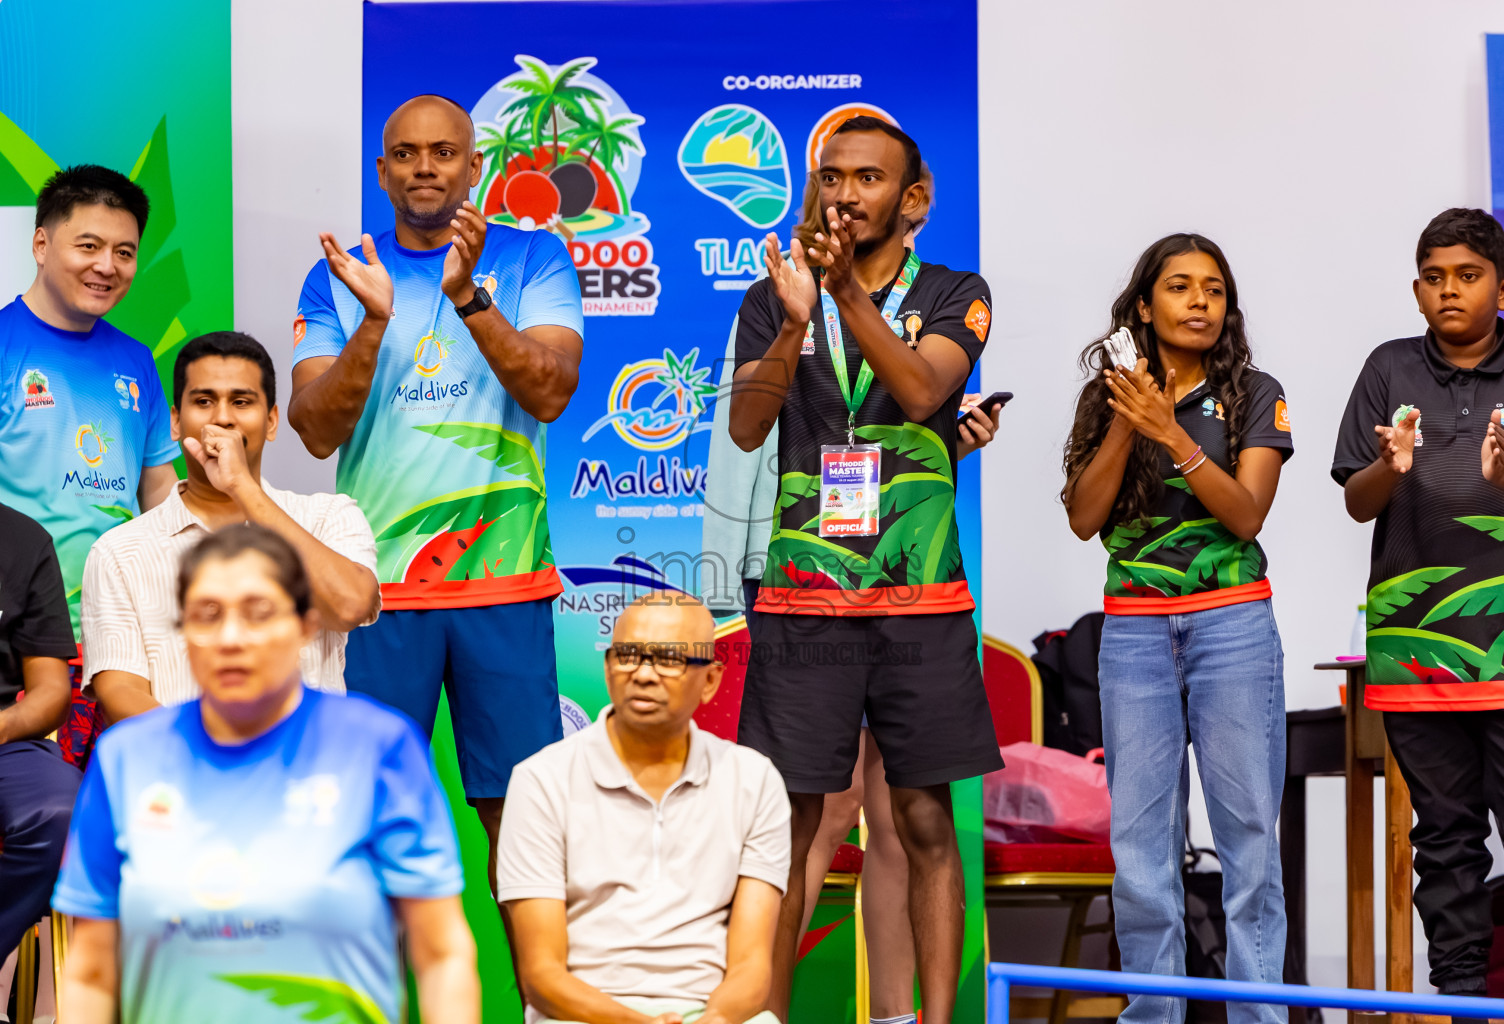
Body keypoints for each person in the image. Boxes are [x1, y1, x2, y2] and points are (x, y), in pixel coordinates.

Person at [727, 116, 1001, 1024]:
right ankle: (761, 1014)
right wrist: (795, 319)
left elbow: (925, 391)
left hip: (922, 600)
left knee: (924, 821)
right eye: (833, 177)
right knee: (792, 829)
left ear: (912, 198)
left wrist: (845, 298)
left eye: (869, 178)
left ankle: (931, 1021)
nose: (846, 194)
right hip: (804, 604)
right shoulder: (774, 295)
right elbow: (746, 427)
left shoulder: (960, 291)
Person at [287, 93, 583, 898]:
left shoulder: (535, 261)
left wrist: (468, 297)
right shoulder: (340, 275)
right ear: (383, 171)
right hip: (376, 592)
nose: (425, 166)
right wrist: (374, 321)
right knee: (370, 825)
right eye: (408, 154)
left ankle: (546, 1015)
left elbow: (552, 390)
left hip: (506, 583)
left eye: (444, 152)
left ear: (474, 165)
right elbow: (313, 428)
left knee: (522, 826)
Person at [53, 524, 479, 1024]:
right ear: (184, 632)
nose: (232, 638)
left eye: (259, 613)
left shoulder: (378, 748)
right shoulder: (126, 759)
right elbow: (89, 973)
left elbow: (442, 955)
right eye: (207, 615)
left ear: (305, 626)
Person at [1061, 234, 1291, 1024]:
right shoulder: (1108, 399)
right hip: (1133, 635)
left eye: (1214, 289)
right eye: (1180, 287)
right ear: (1144, 306)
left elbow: (1245, 511)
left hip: (1231, 626)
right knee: (1141, 851)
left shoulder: (1256, 393)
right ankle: (1152, 1014)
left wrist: (1171, 430)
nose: (1199, 301)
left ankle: (1258, 1016)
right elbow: (1085, 519)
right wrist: (1131, 418)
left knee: (1250, 842)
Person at [1334, 207, 1504, 1001]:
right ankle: (1461, 1003)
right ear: (1416, 289)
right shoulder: (1388, 369)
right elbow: (1358, 500)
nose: (1448, 290)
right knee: (1445, 843)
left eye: (1468, 275)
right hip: (1416, 650)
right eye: (1434, 277)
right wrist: (1391, 465)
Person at [499, 592, 788, 1024]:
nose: (644, 674)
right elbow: (542, 976)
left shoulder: (754, 780)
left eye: (669, 659)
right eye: (628, 655)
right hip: (582, 1015)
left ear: (710, 680)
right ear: (608, 666)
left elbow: (751, 967)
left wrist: (716, 1019)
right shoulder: (541, 780)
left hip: (712, 1014)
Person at [82, 331, 379, 721]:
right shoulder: (118, 551)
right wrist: (207, 759)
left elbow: (350, 605)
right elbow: (120, 688)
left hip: (308, 770)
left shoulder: (329, 517)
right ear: (175, 422)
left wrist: (241, 487)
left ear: (271, 422)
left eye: (241, 402)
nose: (222, 417)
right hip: (181, 772)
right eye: (204, 401)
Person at [0, 164, 179, 762]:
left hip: (121, 641)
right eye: (89, 246)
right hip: (23, 646)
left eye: (124, 252)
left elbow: (158, 492)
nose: (108, 266)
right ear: (41, 243)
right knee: (42, 821)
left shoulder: (137, 361)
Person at [0, 503, 81, 961]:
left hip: (4, 738)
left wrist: (5, 724)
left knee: (60, 815)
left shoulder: (24, 540)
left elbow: (51, 691)